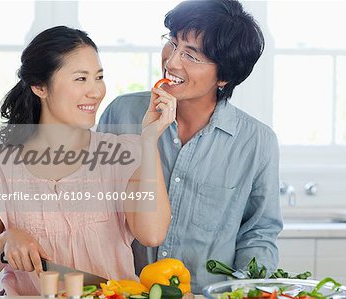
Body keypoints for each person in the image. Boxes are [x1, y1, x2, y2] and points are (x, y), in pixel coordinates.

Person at [0, 26, 175, 295]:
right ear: (40, 86)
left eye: (99, 77)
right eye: (81, 79)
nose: (96, 91)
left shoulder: (126, 155)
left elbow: (153, 234)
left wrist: (148, 141)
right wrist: (7, 241)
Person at [98, 0, 283, 293]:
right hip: (125, 291)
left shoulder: (257, 143)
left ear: (223, 76)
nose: (171, 62)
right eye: (172, 44)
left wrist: (246, 291)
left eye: (191, 56)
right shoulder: (122, 115)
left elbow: (258, 233)